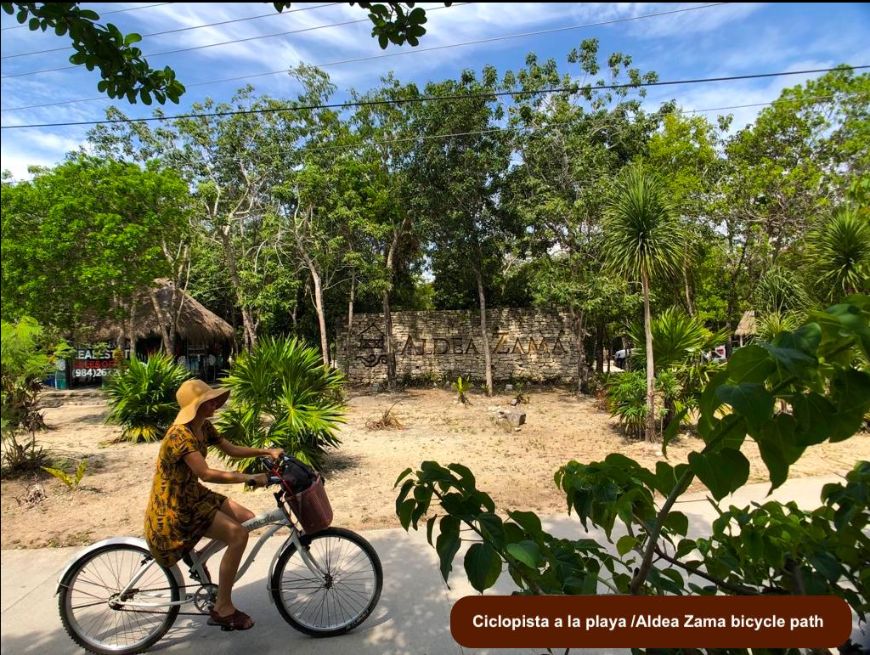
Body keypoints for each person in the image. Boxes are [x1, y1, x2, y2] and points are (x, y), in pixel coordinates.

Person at [144, 379, 283, 631]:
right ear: (195, 407)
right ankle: (223, 608)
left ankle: (198, 556)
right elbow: (205, 473)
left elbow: (230, 449)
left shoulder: (203, 427)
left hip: (193, 494)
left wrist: (265, 452)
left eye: (215, 399)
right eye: (209, 401)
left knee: (247, 518)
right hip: (175, 506)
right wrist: (248, 477)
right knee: (238, 535)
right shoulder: (180, 436)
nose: (216, 404)